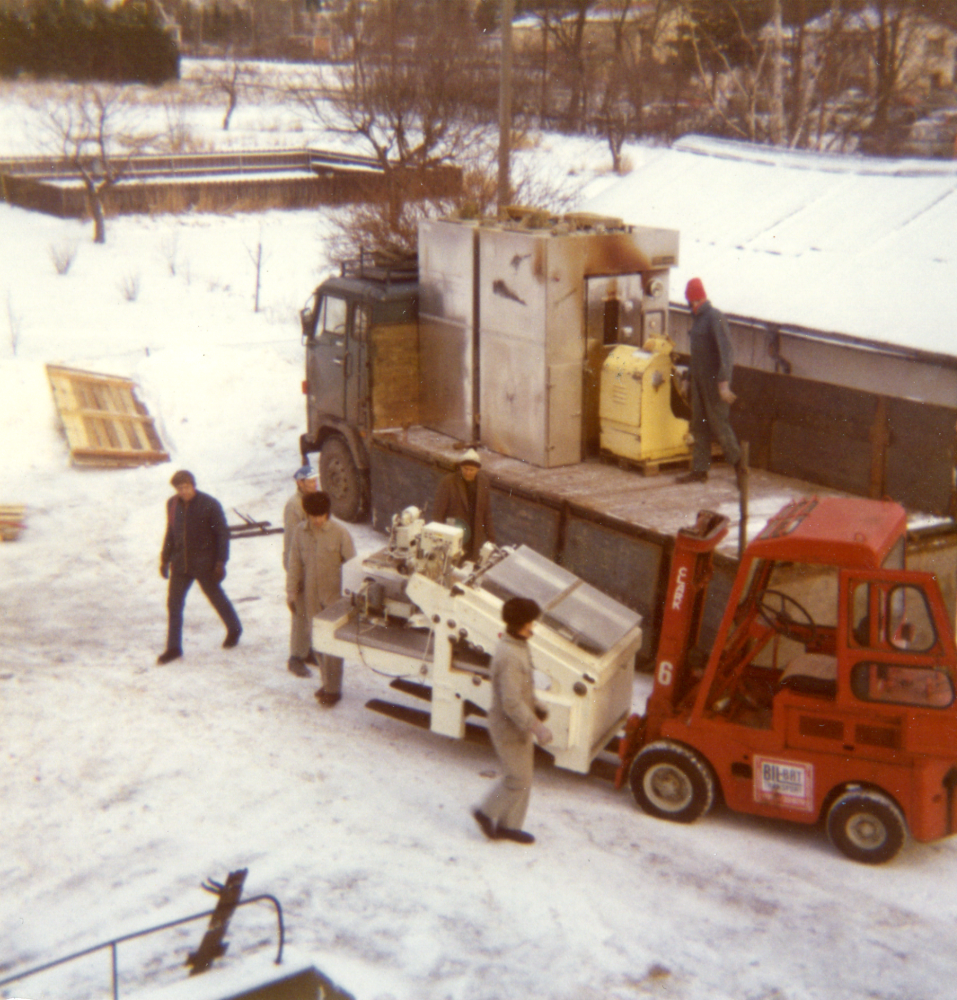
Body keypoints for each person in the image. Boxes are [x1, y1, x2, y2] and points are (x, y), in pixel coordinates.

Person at [472, 597, 553, 845]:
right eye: (530, 623)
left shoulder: (519, 645)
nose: (533, 628)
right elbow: (510, 702)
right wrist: (536, 726)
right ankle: (486, 812)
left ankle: (510, 827)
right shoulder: (510, 655)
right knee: (517, 778)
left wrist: (536, 707)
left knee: (524, 778)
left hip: (519, 723)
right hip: (508, 725)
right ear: (519, 624)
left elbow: (522, 689)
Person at [158, 470, 242, 665]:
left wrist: (221, 562)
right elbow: (170, 533)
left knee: (216, 597)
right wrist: (164, 559)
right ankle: (173, 647)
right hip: (180, 563)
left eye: (186, 487)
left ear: (193, 485)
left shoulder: (209, 504)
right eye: (179, 488)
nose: (183, 491)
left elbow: (222, 534)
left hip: (205, 563)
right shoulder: (172, 505)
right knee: (174, 604)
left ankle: (234, 628)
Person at [286, 490, 356, 707]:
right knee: (316, 640)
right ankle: (327, 682)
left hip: (333, 598)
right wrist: (291, 591)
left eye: (321, 516)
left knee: (331, 644)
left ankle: (333, 689)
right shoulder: (300, 532)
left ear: (328, 513)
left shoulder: (340, 533)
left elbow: (352, 566)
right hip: (309, 597)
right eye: (313, 516)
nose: (317, 520)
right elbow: (295, 563)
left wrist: (351, 597)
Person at [675, 277, 746, 489]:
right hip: (698, 384)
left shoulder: (715, 318)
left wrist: (724, 383)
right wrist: (688, 380)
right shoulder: (698, 320)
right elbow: (696, 356)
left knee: (720, 426)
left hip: (714, 385)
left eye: (691, 301)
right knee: (699, 426)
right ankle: (699, 470)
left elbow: (727, 352)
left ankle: (741, 469)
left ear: (695, 299)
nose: (691, 305)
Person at [284, 463, 320, 678]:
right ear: (300, 483)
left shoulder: (315, 500)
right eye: (310, 482)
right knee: (300, 613)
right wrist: (293, 574)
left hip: (315, 565)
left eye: (316, 481)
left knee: (313, 610)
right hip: (300, 566)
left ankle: (307, 651)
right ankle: (296, 657)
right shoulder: (294, 506)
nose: (315, 485)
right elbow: (291, 542)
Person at [433, 448, 496, 562]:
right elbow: (438, 512)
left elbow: (487, 513)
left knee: (471, 565)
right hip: (454, 533)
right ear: (461, 467)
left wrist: (491, 538)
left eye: (471, 470)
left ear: (478, 469)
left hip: (474, 536)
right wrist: (438, 538)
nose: (468, 472)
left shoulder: (484, 483)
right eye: (465, 469)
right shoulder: (448, 482)